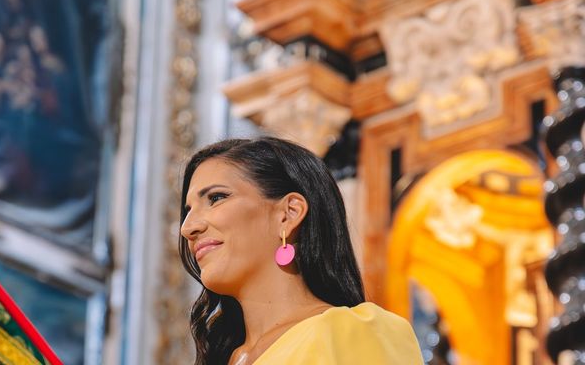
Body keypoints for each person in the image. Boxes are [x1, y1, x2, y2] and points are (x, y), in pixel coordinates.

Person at [179, 137, 424, 364]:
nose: (188, 228)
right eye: (188, 210)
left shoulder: (354, 333)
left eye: (216, 197)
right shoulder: (222, 356)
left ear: (289, 214)